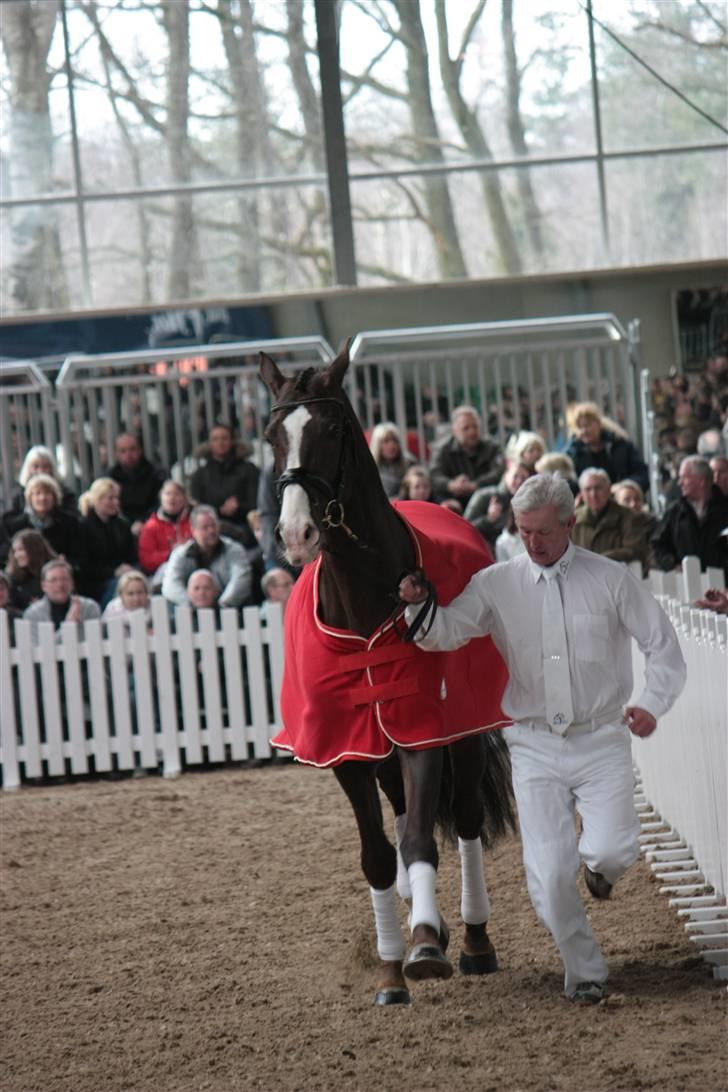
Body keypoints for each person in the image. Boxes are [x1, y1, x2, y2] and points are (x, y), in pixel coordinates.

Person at [398, 473, 686, 1004]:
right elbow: (448, 630)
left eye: (542, 533)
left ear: (570, 525)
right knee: (551, 876)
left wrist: (649, 703)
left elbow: (663, 648)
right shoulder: (497, 582)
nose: (531, 542)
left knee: (616, 849)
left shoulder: (611, 579)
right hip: (532, 744)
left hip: (602, 738)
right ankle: (586, 972)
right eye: (522, 530)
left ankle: (601, 871)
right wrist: (418, 605)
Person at [652, 455, 728, 580]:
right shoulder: (675, 512)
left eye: (684, 478)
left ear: (701, 481)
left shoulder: (725, 509)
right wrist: (671, 564)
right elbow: (658, 544)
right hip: (686, 585)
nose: (679, 483)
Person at [162, 505, 253, 609]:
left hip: (229, 611)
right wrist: (191, 605)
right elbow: (170, 585)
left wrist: (223, 604)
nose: (211, 531)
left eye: (214, 525)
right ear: (193, 530)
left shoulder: (234, 549)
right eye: (205, 527)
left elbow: (241, 579)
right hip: (189, 614)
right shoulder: (181, 554)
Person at [188, 424, 260, 548]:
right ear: (209, 444)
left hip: (245, 529)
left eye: (224, 438)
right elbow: (196, 508)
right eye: (215, 439)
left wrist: (239, 507)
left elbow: (258, 502)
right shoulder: (199, 475)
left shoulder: (249, 470)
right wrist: (217, 510)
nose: (220, 442)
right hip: (211, 532)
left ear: (232, 441)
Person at [564, 402, 649, 493]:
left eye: (587, 425)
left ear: (598, 423)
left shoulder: (620, 445)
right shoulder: (572, 453)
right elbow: (567, 483)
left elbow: (642, 473)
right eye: (579, 427)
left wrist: (625, 486)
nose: (584, 431)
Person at [1, 474, 82, 569]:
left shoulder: (69, 522)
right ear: (29, 498)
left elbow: (78, 556)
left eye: (47, 493)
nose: (43, 498)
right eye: (37, 493)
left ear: (55, 497)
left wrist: (66, 561)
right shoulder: (12, 525)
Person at [78, 478, 137, 606]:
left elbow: (132, 555)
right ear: (97, 499)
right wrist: (113, 572)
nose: (115, 502)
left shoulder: (122, 525)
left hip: (123, 575)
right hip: (96, 583)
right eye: (110, 498)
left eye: (117, 498)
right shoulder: (82, 526)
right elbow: (84, 566)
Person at [572, 469, 647, 569]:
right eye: (588, 489)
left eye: (598, 488)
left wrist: (600, 559)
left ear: (608, 490)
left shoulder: (629, 516)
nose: (593, 494)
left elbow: (634, 550)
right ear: (581, 493)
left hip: (618, 577)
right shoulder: (573, 519)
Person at [429, 405, 504, 505]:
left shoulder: (492, 447)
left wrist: (476, 484)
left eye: (475, 426)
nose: (472, 432)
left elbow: (499, 472)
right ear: (454, 430)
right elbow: (434, 476)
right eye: (466, 428)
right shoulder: (441, 449)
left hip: (485, 499)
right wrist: (451, 484)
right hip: (451, 498)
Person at [23, 559, 101, 638]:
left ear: (72, 583)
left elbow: (96, 642)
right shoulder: (32, 614)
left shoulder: (89, 607)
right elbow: (42, 648)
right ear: (44, 586)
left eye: (64, 579)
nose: (60, 585)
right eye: (53, 580)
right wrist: (68, 626)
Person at [107, 433, 167, 533]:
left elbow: (160, 503)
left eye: (132, 449)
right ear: (116, 454)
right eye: (123, 451)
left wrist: (143, 521)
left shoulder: (155, 473)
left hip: (152, 525)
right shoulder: (110, 477)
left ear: (140, 450)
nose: (129, 455)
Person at [464, 461, 532, 549]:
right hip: (483, 548)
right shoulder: (483, 496)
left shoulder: (529, 502)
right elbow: (465, 529)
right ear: (506, 476)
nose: (519, 481)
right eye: (515, 476)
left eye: (523, 478)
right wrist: (489, 519)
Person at [137, 479, 193, 587]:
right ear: (161, 497)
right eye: (167, 494)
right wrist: (172, 554)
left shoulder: (194, 521)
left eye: (177, 494)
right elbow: (146, 559)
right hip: (162, 574)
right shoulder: (150, 526)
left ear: (185, 498)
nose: (172, 498)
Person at [8, 445, 77, 514]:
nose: (41, 471)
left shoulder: (65, 493)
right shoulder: (19, 494)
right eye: (36, 467)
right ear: (28, 469)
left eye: (45, 466)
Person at [5, 530, 58, 611]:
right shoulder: (12, 577)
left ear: (34, 548)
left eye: (21, 549)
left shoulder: (55, 572)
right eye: (14, 550)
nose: (16, 555)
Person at [368, 422, 415, 498]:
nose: (391, 445)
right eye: (386, 441)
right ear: (377, 444)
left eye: (395, 440)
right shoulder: (369, 468)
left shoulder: (410, 464)